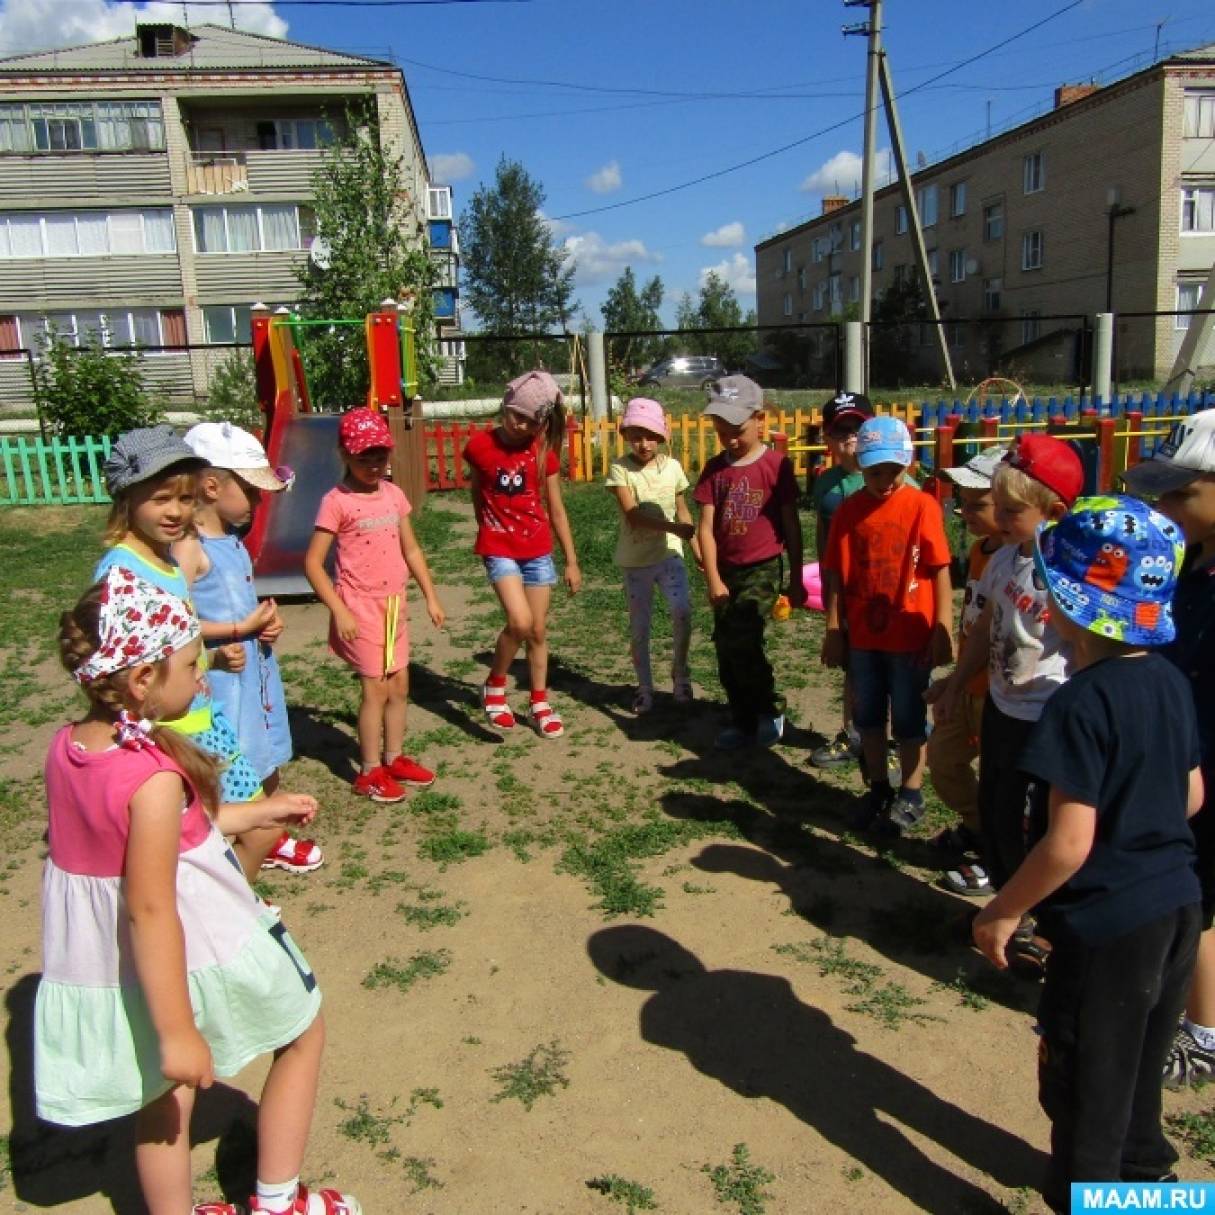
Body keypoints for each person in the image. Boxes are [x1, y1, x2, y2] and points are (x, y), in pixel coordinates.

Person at [38, 568, 360, 1215]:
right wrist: (179, 1028)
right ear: (141, 681)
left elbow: (139, 844)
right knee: (302, 1030)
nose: (203, 677)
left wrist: (250, 814)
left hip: (114, 964)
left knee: (161, 1094)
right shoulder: (150, 776)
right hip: (195, 943)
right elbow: (151, 904)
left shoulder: (68, 747)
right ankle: (277, 1201)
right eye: (191, 663)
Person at [972, 495, 1200, 1212]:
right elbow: (1190, 793)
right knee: (1134, 1068)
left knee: (1083, 1086)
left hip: (1106, 928)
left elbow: (1067, 844)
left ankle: (1090, 1197)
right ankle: (1148, 1182)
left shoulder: (1078, 701)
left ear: (1069, 605)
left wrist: (1002, 911)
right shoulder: (1168, 680)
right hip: (1177, 907)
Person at [96, 425, 319, 881]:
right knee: (205, 829)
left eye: (184, 498)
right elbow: (114, 668)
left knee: (247, 822)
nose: (178, 511)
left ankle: (235, 903)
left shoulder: (167, 559)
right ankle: (224, 907)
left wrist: (210, 659)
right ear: (126, 499)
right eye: (161, 499)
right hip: (167, 730)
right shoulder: (122, 572)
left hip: (202, 716)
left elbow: (181, 635)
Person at [930, 435, 1082, 969]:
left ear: (1054, 511)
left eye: (1013, 510)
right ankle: (1002, 911)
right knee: (996, 814)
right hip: (1002, 709)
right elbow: (988, 625)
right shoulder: (1007, 557)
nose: (1002, 517)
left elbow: (1089, 648)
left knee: (1039, 828)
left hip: (1048, 718)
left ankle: (1049, 930)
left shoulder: (1071, 569)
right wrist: (954, 683)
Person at [1123, 410, 1215, 1086]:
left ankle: (1203, 1033)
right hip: (1180, 762)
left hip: (1204, 774)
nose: (1162, 506)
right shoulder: (1189, 568)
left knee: (1198, 903)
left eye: (1180, 492)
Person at [305, 407, 445, 803]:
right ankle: (368, 772)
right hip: (360, 607)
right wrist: (339, 609)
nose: (373, 464)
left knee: (400, 683)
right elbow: (313, 563)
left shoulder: (394, 495)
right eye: (363, 456)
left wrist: (431, 596)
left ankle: (394, 756)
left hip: (394, 605)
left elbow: (412, 549)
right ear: (344, 454)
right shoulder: (337, 501)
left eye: (379, 456)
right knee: (376, 689)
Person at [820, 415, 953, 831]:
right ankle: (878, 787)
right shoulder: (848, 512)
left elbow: (940, 570)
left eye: (893, 470)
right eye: (875, 470)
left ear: (907, 464)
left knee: (911, 720)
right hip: (863, 637)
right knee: (869, 717)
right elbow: (838, 576)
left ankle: (911, 793)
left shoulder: (921, 507)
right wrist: (834, 630)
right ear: (860, 465)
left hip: (911, 636)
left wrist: (942, 628)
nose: (885, 479)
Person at [175, 423, 296, 807]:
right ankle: (244, 825)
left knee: (263, 740)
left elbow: (239, 601)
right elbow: (174, 622)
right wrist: (238, 628)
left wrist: (264, 624)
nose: (258, 502)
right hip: (221, 674)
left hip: (252, 669)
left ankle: (268, 824)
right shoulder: (189, 549)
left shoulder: (231, 540)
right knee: (234, 747)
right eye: (250, 491)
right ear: (211, 487)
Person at [463, 370, 581, 738]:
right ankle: (495, 687)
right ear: (505, 406)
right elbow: (478, 492)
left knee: (538, 630)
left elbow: (556, 509)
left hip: (537, 550)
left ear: (541, 422)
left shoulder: (541, 451)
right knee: (519, 621)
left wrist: (572, 560)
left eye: (531, 421)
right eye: (516, 415)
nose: (520, 424)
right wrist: (485, 525)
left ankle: (539, 701)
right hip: (499, 547)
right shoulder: (480, 447)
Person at [694, 374, 805, 750]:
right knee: (726, 646)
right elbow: (705, 529)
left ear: (760, 419)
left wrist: (795, 578)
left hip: (763, 566)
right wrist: (713, 579)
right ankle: (741, 717)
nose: (730, 438)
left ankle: (769, 708)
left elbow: (791, 524)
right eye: (721, 429)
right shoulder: (714, 470)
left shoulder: (777, 466)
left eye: (737, 429)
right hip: (726, 571)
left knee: (745, 635)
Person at [925, 445, 1007, 896]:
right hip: (968, 683)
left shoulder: (1029, 562)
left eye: (978, 503)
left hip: (1003, 695)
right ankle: (980, 829)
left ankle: (999, 856)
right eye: (962, 500)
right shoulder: (980, 551)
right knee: (944, 761)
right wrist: (954, 681)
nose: (964, 510)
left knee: (1003, 782)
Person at [605, 396, 699, 714]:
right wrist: (674, 528)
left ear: (660, 436)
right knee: (640, 627)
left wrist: (697, 550)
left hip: (669, 555)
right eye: (635, 436)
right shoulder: (620, 468)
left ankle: (680, 674)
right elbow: (632, 515)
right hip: (636, 561)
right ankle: (645, 687)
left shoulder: (672, 468)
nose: (643, 443)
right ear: (626, 436)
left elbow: (683, 511)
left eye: (648, 436)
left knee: (683, 611)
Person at [808, 391, 872, 770]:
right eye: (840, 430)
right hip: (844, 592)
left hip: (884, 598)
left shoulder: (894, 481)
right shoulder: (826, 484)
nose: (849, 437)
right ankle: (853, 734)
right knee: (851, 665)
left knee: (887, 669)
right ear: (828, 440)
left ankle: (893, 738)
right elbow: (823, 535)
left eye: (857, 428)